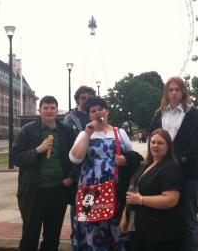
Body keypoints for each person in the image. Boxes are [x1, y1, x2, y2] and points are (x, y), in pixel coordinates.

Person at [12, 95, 78, 251]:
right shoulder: (28, 131)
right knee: (30, 235)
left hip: (58, 190)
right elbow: (15, 157)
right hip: (33, 191)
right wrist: (37, 150)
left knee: (52, 237)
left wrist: (70, 177)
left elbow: (77, 158)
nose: (49, 111)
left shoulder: (66, 131)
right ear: (39, 110)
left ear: (57, 110)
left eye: (52, 108)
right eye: (45, 108)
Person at [69, 96, 134, 251]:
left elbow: (133, 157)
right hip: (90, 191)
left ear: (107, 111)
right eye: (93, 111)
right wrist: (87, 134)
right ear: (89, 115)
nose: (98, 113)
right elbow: (75, 158)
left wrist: (124, 160)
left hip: (115, 188)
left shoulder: (119, 133)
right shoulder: (83, 135)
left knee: (116, 225)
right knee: (91, 226)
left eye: (100, 109)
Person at [148, 76, 198, 251]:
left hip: (188, 175)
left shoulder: (193, 114)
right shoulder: (159, 115)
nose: (174, 93)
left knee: (188, 219)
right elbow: (152, 140)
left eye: (177, 89)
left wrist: (174, 162)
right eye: (170, 89)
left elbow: (196, 144)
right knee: (165, 217)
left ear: (183, 92)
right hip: (162, 175)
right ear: (166, 92)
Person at [119, 128, 184, 251]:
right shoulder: (145, 165)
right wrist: (124, 216)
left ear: (168, 146)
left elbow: (171, 199)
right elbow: (132, 193)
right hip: (138, 228)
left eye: (160, 143)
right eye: (153, 142)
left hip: (158, 232)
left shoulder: (171, 168)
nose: (155, 146)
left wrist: (141, 200)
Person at [62, 85, 96, 246]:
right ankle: (77, 237)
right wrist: (70, 174)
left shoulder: (95, 116)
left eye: (89, 97)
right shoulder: (71, 118)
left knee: (90, 203)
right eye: (83, 98)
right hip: (77, 169)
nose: (86, 100)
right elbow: (68, 146)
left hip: (94, 170)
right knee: (78, 205)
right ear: (78, 100)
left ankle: (90, 235)